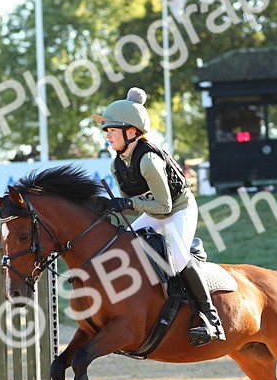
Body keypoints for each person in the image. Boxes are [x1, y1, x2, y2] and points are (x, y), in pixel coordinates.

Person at [90, 87, 224, 345]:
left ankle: (211, 319)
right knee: (126, 244)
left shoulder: (148, 160)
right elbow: (133, 207)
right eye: (106, 131)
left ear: (131, 132)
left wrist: (126, 202)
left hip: (179, 208)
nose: (107, 135)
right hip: (158, 210)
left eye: (112, 130)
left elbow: (163, 206)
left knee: (176, 257)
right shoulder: (117, 163)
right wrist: (110, 206)